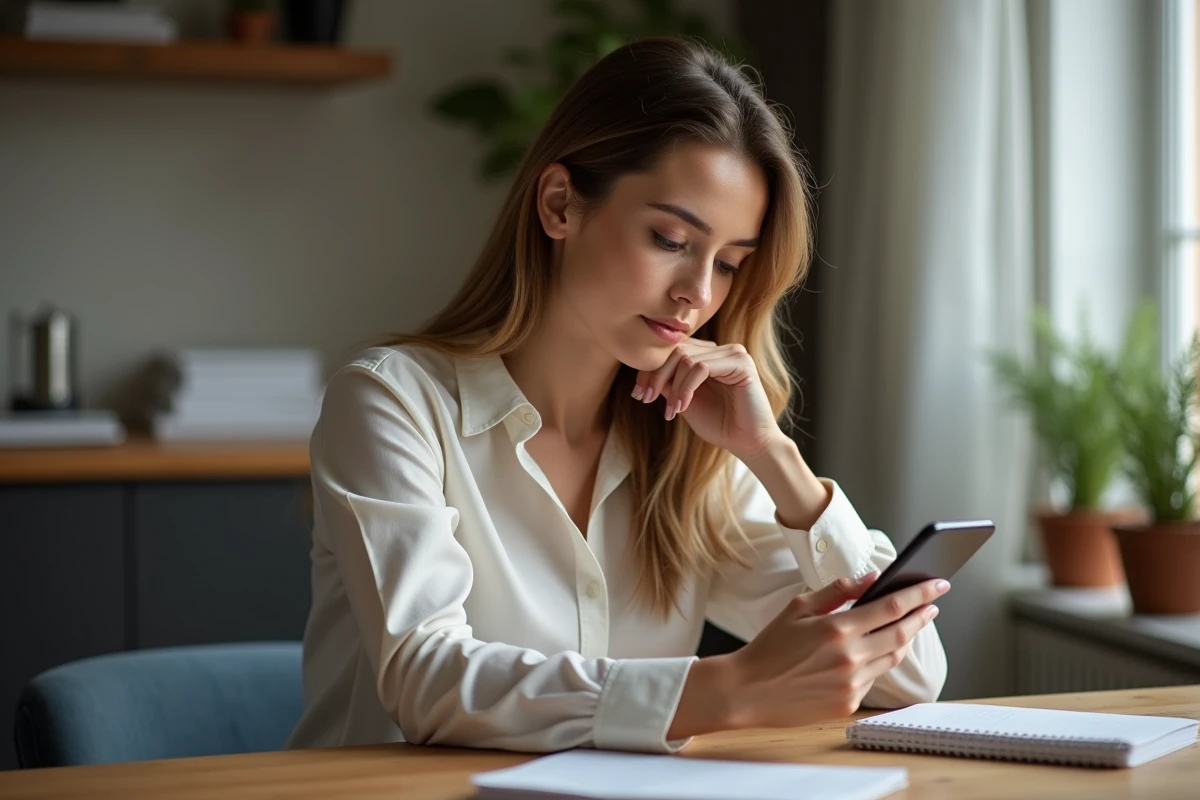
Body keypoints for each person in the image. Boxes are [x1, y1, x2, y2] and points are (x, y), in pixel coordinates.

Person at [286, 37, 947, 755]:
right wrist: (728, 688)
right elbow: (427, 680)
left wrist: (775, 458)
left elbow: (910, 676)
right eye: (670, 239)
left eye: (729, 263)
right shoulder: (392, 404)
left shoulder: (692, 446)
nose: (698, 293)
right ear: (560, 204)